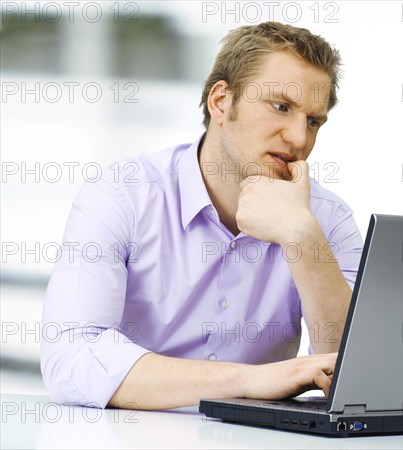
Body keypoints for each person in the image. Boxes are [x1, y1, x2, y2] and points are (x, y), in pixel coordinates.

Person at [41, 22, 363, 410]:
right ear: (221, 102)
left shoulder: (326, 220)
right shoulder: (122, 194)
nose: (299, 139)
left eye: (313, 121)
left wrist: (302, 239)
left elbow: (354, 384)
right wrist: (248, 380)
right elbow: (71, 358)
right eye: (281, 107)